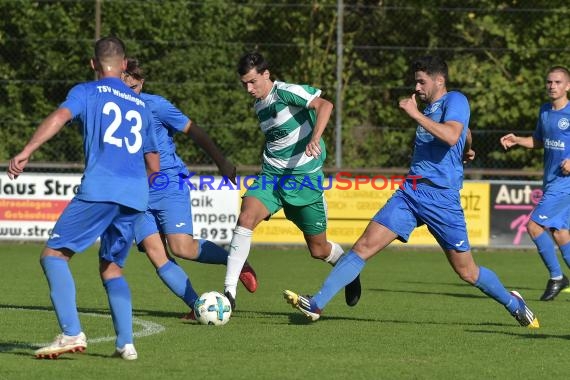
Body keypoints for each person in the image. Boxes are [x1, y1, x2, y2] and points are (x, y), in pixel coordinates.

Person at [284, 55, 539, 329]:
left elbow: (454, 134)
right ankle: (317, 304)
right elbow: (463, 135)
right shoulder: (429, 109)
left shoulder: (456, 100)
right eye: (415, 81)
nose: (416, 87)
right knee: (363, 247)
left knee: (467, 271)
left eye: (421, 81)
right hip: (411, 192)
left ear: (439, 80)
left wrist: (417, 115)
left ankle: (513, 303)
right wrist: (466, 149)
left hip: (442, 198)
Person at [7, 36, 159, 360]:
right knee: (112, 268)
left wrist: (27, 150)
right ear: (124, 65)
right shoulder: (140, 106)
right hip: (135, 196)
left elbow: (59, 118)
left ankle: (71, 332)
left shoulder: (86, 91)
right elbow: (153, 161)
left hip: (101, 189)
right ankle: (126, 343)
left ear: (93, 64)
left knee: (53, 256)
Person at [223, 51, 361, 310]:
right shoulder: (259, 105)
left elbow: (325, 105)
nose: (249, 89)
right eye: (244, 84)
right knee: (246, 217)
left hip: (304, 180)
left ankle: (350, 271)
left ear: (266, 75)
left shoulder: (285, 92)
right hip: (272, 178)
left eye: (253, 82)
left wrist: (314, 138)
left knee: (318, 249)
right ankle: (229, 294)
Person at [120, 59, 257, 319]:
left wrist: (222, 162)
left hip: (167, 182)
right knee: (155, 253)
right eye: (126, 88)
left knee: (181, 247)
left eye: (135, 87)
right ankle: (197, 306)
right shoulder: (110, 109)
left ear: (142, 84)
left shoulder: (157, 106)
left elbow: (195, 132)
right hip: (133, 191)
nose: (131, 93)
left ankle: (234, 262)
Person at [500, 66, 570, 301]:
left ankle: (557, 277)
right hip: (551, 181)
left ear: (567, 86)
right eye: (549, 82)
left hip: (566, 183)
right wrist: (518, 140)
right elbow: (540, 141)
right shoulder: (545, 111)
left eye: (558, 82)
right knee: (560, 234)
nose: (552, 86)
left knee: (533, 226)